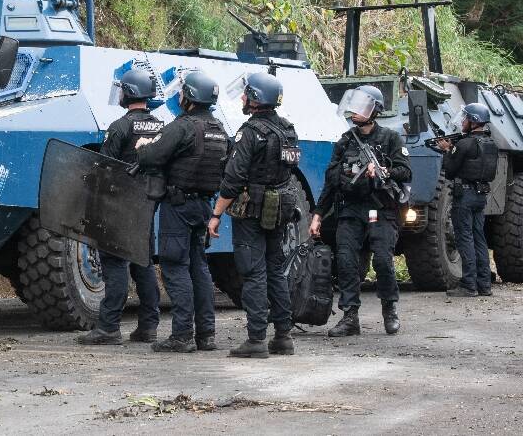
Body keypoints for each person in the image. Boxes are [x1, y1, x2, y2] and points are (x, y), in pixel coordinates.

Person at [135, 70, 228, 352]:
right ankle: (206, 335)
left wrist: (143, 147)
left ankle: (182, 335)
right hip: (204, 206)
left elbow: (153, 155)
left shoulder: (182, 126)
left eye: (182, 93)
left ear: (189, 96)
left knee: (176, 267)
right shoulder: (219, 130)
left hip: (178, 206)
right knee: (200, 268)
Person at [209, 72, 299, 358]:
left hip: (252, 209)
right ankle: (283, 336)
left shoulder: (251, 132)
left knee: (253, 271)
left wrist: (216, 214)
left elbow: (233, 179)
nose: (243, 98)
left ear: (257, 98)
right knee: (276, 270)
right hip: (280, 208)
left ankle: (256, 338)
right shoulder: (288, 130)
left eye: (247, 94)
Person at [310, 85, 411, 337]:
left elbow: (405, 171)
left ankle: (389, 309)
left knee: (383, 261)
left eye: (362, 106)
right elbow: (331, 182)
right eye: (354, 105)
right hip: (351, 209)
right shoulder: (345, 142)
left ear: (375, 110)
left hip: (380, 208)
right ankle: (350, 316)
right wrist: (318, 214)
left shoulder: (390, 138)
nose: (356, 111)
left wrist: (383, 171)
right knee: (345, 261)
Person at [77, 69, 162, 345]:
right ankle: (149, 326)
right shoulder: (161, 126)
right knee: (144, 264)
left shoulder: (119, 126)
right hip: (146, 206)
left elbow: (105, 168)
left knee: (114, 265)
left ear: (128, 93)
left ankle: (109, 327)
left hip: (119, 206)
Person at [437, 103, 497, 298]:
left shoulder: (464, 144)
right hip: (481, 196)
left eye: (465, 119)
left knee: (464, 238)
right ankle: (484, 284)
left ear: (473, 121)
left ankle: (469, 285)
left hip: (464, 196)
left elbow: (450, 170)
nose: (462, 122)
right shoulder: (490, 144)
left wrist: (447, 150)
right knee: (479, 238)